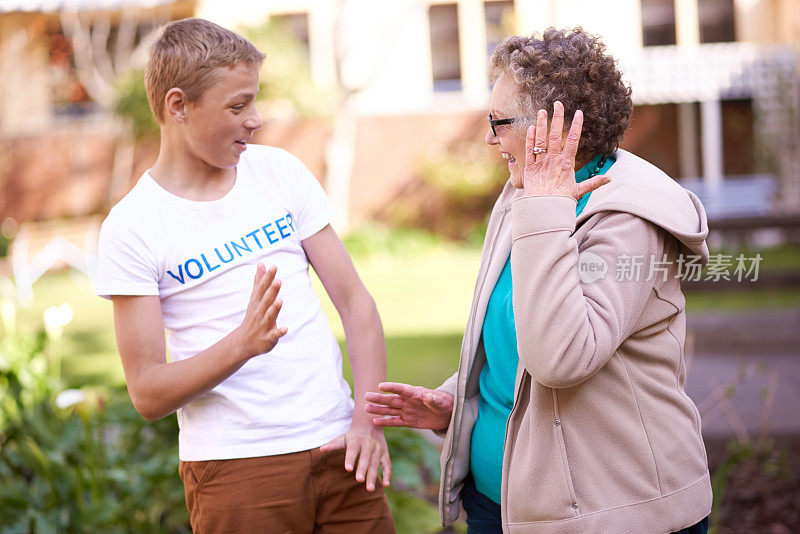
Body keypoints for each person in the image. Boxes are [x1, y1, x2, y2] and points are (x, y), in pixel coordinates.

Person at [366, 27, 711, 534]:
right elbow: (515, 329)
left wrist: (546, 209)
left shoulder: (627, 220)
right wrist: (455, 397)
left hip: (613, 515)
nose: (488, 138)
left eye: (498, 122)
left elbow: (559, 358)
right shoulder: (525, 196)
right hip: (500, 503)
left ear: (552, 129)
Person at [95, 18, 394, 533]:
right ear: (178, 106)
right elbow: (147, 392)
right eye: (237, 105)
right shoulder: (133, 226)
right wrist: (243, 344)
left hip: (340, 447)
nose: (255, 119)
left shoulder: (279, 173)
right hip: (238, 469)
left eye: (254, 100)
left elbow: (357, 305)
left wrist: (366, 422)